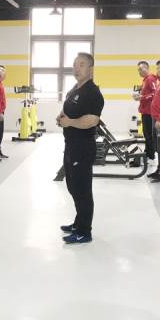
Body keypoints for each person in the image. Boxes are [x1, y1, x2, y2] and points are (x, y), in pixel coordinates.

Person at [58, 53, 105, 244]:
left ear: (91, 69)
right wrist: (61, 116)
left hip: (83, 147)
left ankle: (85, 231)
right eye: (75, 64)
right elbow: (67, 108)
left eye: (82, 65)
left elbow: (92, 120)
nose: (76, 68)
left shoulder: (93, 93)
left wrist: (69, 122)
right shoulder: (75, 89)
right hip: (70, 144)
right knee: (72, 185)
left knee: (82, 189)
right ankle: (79, 222)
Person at [136, 61, 158, 160]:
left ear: (147, 68)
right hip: (145, 111)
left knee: (148, 134)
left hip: (149, 112)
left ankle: (150, 154)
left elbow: (155, 93)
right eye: (138, 70)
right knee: (146, 133)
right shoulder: (145, 80)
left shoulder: (150, 79)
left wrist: (142, 97)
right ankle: (148, 151)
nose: (139, 71)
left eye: (141, 69)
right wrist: (140, 96)